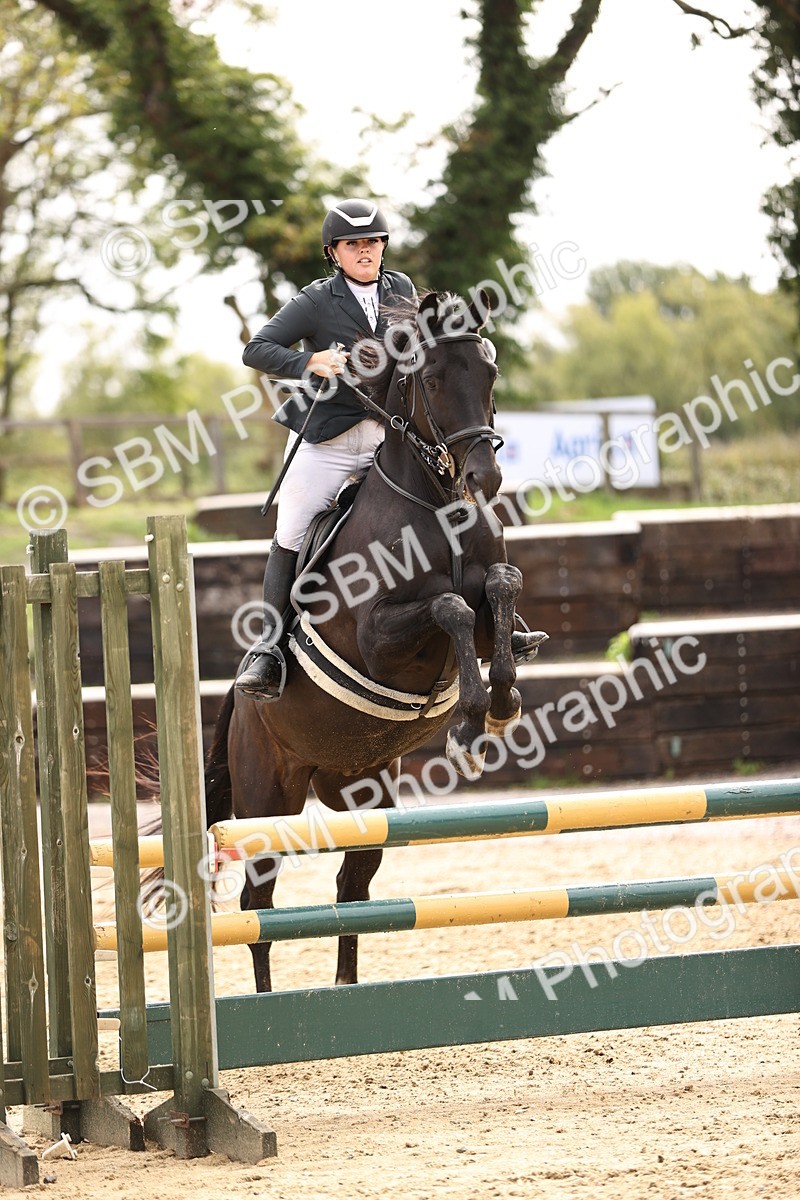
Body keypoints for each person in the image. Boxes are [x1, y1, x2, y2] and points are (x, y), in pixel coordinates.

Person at [235, 198, 416, 701]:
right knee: (291, 526)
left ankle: (494, 613)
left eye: (373, 242)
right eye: (354, 244)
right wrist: (309, 360)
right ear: (334, 253)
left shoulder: (400, 289)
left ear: (382, 247)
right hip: (327, 438)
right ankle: (269, 649)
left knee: (441, 500)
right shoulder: (316, 300)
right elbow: (257, 349)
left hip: (386, 434)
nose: (365, 251)